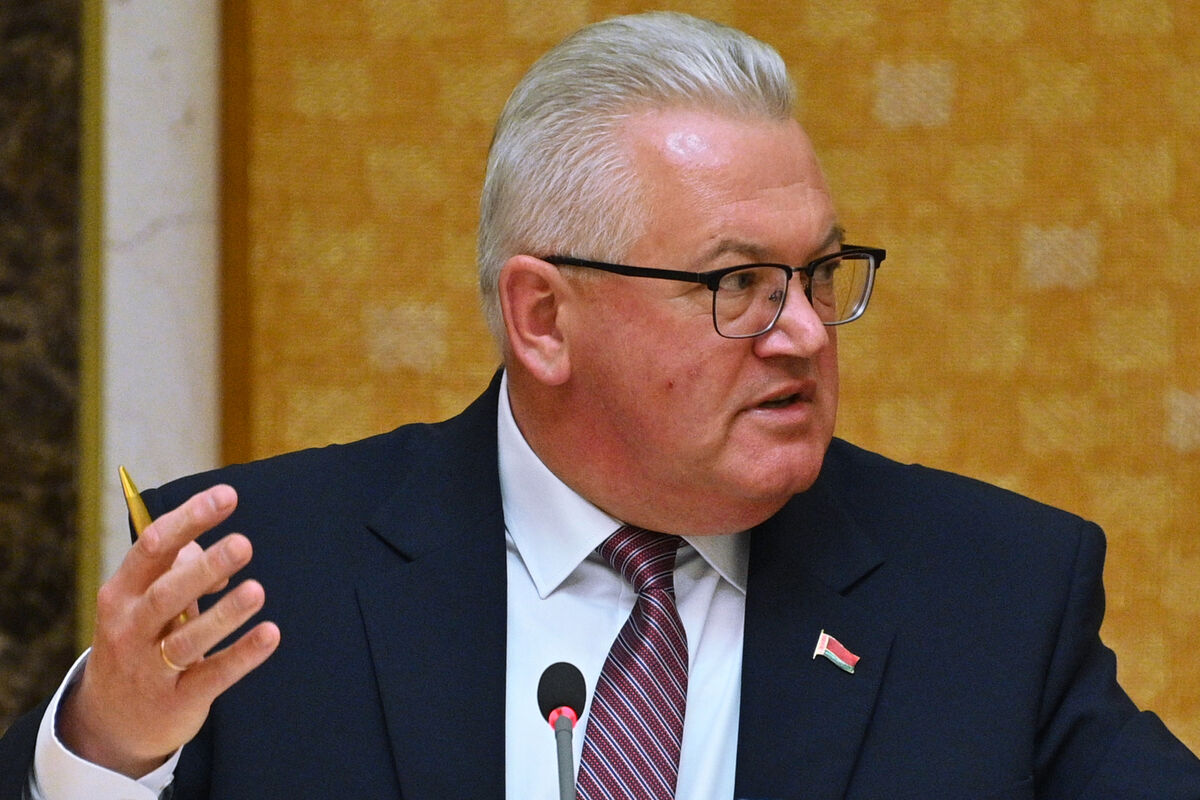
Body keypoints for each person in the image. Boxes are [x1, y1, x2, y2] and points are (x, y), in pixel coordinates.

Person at [2, 10, 1199, 799]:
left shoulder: (989, 594)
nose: (803, 329)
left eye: (820, 274)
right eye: (738, 283)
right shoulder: (261, 576)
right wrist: (110, 745)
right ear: (543, 316)